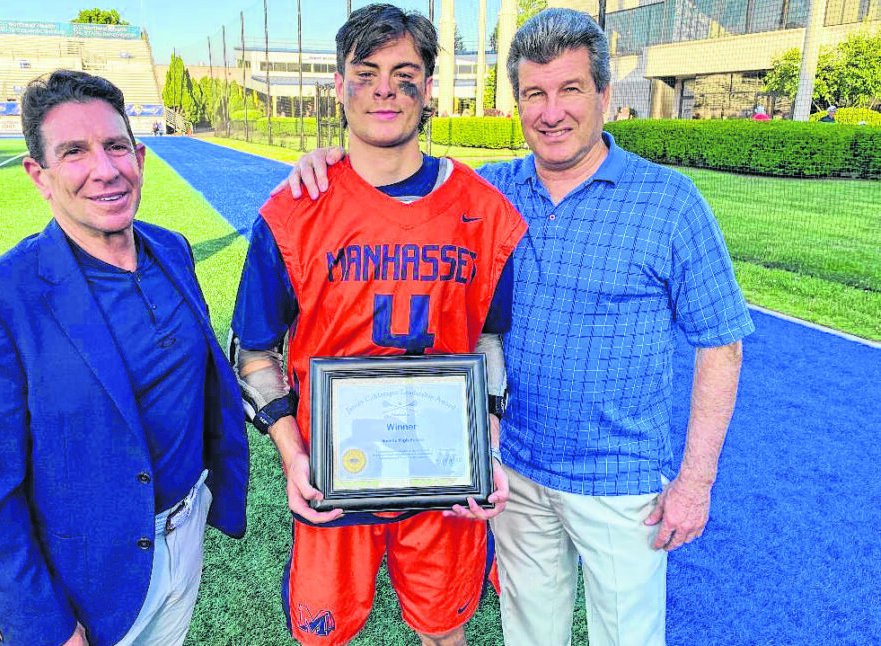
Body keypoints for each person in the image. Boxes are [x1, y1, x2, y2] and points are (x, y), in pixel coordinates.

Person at [279, 8, 754, 646]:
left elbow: (721, 346)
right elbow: (395, 173)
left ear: (605, 95)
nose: (551, 112)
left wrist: (695, 483)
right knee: (529, 633)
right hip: (512, 472)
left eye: (570, 89)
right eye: (534, 93)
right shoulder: (490, 193)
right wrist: (330, 160)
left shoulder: (670, 202)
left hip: (619, 483)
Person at [228, 5, 525, 645]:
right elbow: (253, 354)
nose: (385, 89)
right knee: (325, 636)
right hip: (335, 476)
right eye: (366, 73)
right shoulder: (292, 211)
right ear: (340, 86)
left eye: (404, 74)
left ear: (429, 87)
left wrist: (488, 449)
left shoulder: (483, 210)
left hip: (444, 481)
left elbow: (488, 341)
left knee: (445, 631)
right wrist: (294, 458)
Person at [0, 69, 250, 646]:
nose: (105, 169)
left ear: (140, 157)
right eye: (74, 152)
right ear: (39, 175)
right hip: (89, 578)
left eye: (115, 146)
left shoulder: (172, 249)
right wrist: (45, 627)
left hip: (185, 536)